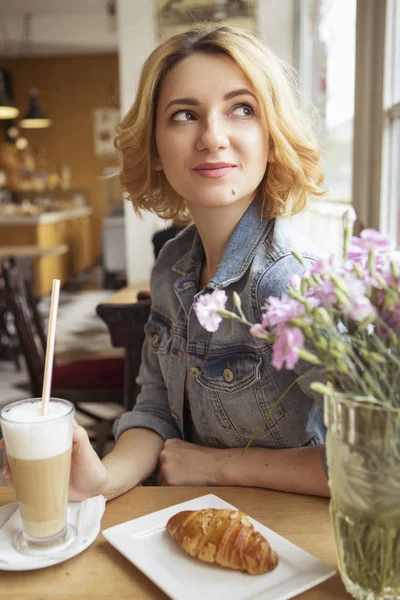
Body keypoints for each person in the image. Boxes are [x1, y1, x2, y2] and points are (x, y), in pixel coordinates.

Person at [2, 24, 329, 500]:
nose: (213, 137)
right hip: (193, 528)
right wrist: (102, 479)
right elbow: (156, 408)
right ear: (155, 149)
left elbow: (379, 461)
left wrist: (217, 467)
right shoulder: (173, 263)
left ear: (272, 137)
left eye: (242, 109)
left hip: (290, 548)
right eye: (183, 115)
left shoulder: (290, 280)